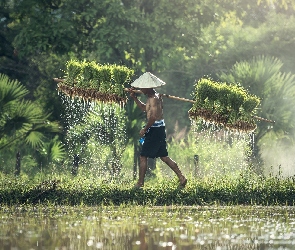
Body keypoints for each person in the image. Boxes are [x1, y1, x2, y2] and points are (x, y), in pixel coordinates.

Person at [128, 85, 187, 189]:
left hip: (155, 129)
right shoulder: (154, 97)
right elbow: (144, 108)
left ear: (148, 88)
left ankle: (140, 183)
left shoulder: (154, 99)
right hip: (158, 129)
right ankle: (182, 177)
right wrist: (134, 97)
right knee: (164, 157)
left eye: (142, 88)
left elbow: (153, 117)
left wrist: (145, 129)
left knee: (143, 156)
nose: (141, 90)